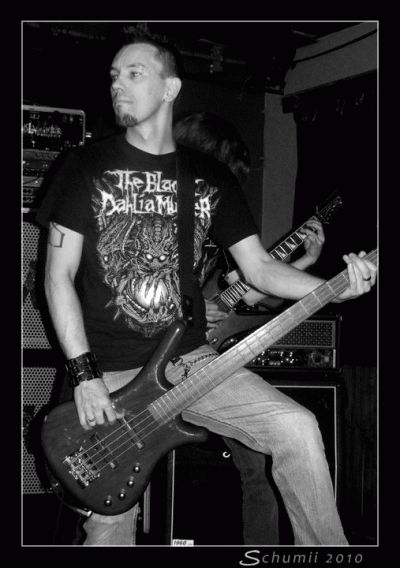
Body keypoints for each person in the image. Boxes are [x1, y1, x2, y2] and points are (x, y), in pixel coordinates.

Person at [36, 28, 377, 546]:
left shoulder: (209, 176)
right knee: (111, 517)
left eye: (134, 73)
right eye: (114, 76)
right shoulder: (84, 166)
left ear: (170, 88)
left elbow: (258, 268)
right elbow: (57, 276)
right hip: (107, 369)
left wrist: (335, 286)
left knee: (298, 427)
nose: (118, 85)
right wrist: (85, 375)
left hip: (190, 362)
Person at [173, 111, 326, 544]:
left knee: (260, 461)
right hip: (147, 359)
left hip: (197, 359)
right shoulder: (156, 208)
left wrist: (305, 263)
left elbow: (247, 292)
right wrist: (189, 311)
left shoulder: (216, 226)